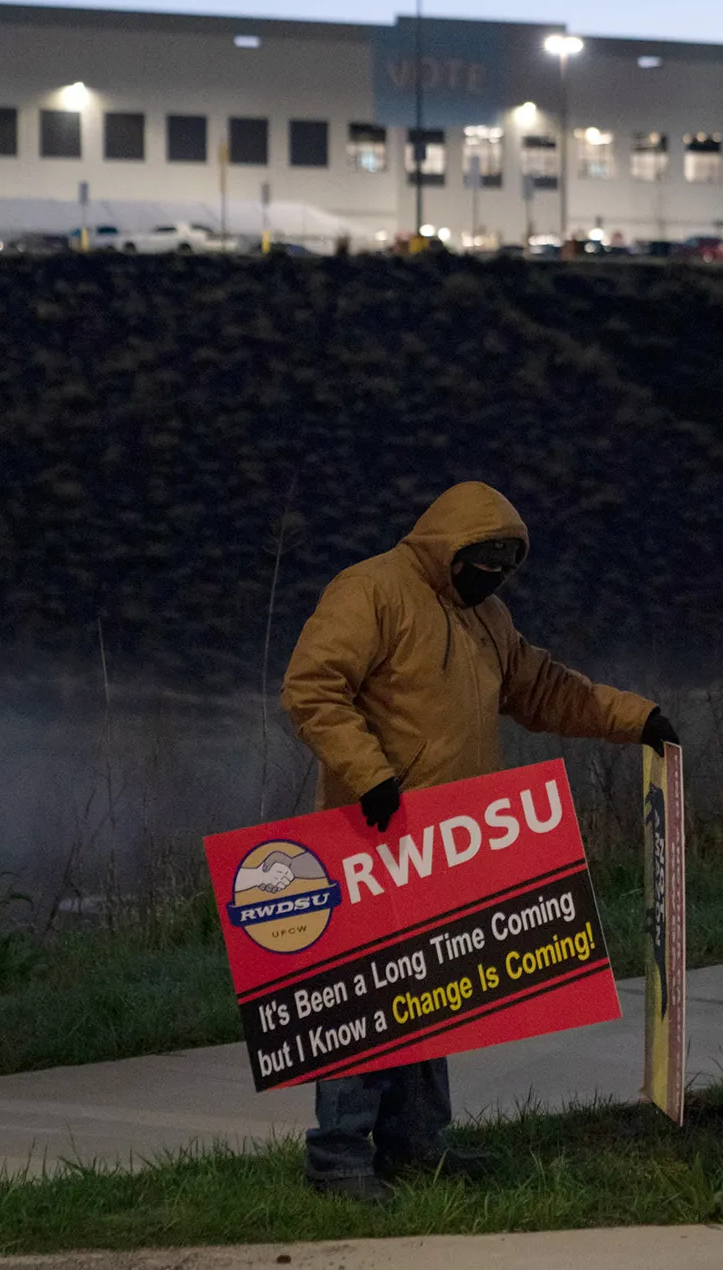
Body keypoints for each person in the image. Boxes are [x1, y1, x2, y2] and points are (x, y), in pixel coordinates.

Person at [279, 480, 678, 1201]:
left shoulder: (488, 618)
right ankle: (336, 1158)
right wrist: (369, 775)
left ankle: (417, 1144)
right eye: (482, 558)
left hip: (451, 838)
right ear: (446, 544)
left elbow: (546, 689)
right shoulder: (372, 589)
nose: (492, 573)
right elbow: (311, 686)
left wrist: (638, 718)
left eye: (505, 563)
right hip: (373, 833)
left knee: (429, 995)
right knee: (365, 1003)